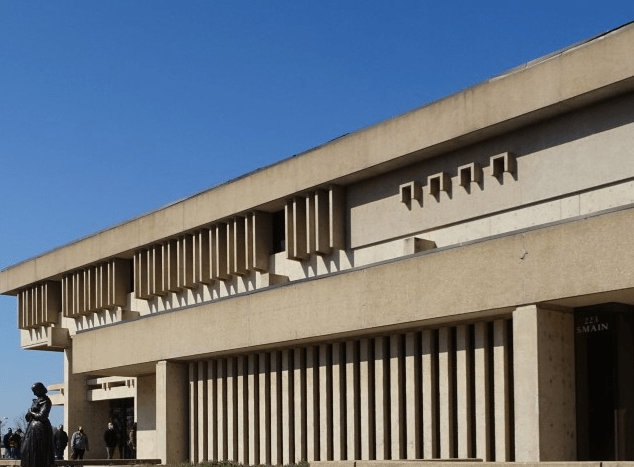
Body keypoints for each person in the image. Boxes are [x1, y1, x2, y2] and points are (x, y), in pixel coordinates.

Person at [20, 382, 54, 467]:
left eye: (35, 390)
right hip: (31, 429)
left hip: (41, 430)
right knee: (26, 450)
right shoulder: (35, 401)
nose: (34, 393)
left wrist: (31, 412)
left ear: (40, 390)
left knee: (39, 453)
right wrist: (29, 414)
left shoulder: (46, 401)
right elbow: (28, 418)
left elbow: (42, 416)